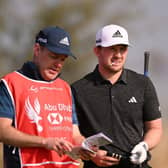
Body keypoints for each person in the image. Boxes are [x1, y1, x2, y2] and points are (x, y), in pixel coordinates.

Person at [0, 26, 96, 168]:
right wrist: (45, 142)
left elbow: (74, 133)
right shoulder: (10, 83)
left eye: (63, 59)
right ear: (37, 50)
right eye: (54, 56)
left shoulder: (65, 88)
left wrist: (83, 146)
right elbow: (2, 131)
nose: (58, 64)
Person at [71, 24, 162, 168]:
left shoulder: (142, 84)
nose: (118, 55)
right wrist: (91, 154)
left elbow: (155, 128)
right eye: (112, 49)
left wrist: (144, 146)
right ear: (97, 51)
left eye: (122, 49)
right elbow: (73, 134)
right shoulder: (78, 89)